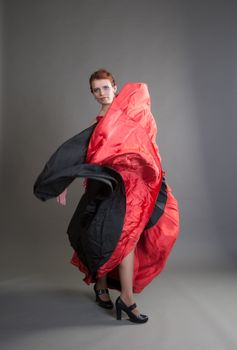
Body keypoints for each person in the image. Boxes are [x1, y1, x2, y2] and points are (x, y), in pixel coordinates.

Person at [34, 69, 180, 324]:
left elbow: (144, 140)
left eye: (105, 88)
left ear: (115, 87)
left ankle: (121, 295)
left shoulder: (129, 111)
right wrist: (64, 181)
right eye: (96, 90)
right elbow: (83, 151)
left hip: (132, 187)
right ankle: (112, 292)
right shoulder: (101, 119)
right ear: (92, 94)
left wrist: (152, 171)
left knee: (125, 237)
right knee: (108, 235)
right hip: (108, 186)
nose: (101, 94)